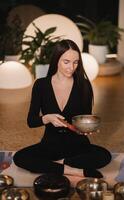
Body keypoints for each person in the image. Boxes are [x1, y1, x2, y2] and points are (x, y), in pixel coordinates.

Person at [13, 39, 111, 178]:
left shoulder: (84, 85)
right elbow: (31, 121)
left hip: (78, 146)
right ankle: (73, 170)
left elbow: (84, 118)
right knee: (19, 157)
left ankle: (56, 165)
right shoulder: (41, 85)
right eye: (66, 62)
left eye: (75, 62)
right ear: (56, 60)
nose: (71, 67)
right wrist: (47, 118)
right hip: (50, 145)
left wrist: (86, 128)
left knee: (104, 156)